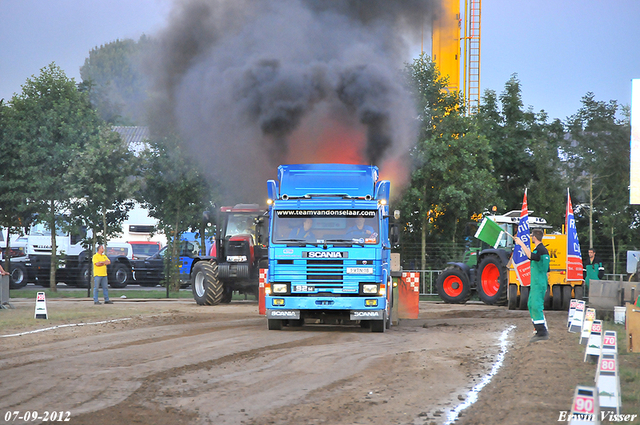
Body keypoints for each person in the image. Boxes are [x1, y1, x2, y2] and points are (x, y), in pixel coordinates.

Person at [514, 229, 550, 342]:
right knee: (531, 304)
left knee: (536, 305)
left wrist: (521, 244)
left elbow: (530, 256)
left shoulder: (540, 250)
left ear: (534, 237)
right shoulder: (543, 250)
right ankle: (539, 328)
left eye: (531, 235)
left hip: (538, 283)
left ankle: (542, 332)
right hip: (538, 283)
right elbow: (548, 270)